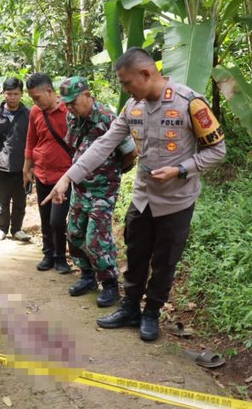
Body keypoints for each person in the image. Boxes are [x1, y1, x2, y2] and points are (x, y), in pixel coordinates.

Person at [44, 48, 226, 341]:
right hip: (142, 198)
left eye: (127, 83)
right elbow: (103, 145)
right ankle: (130, 308)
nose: (125, 89)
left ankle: (152, 312)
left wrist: (181, 169)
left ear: (145, 74)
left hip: (176, 202)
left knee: (165, 262)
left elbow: (218, 150)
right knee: (136, 254)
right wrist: (67, 178)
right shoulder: (133, 108)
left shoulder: (189, 103)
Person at [59, 76, 136, 307]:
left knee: (96, 238)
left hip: (103, 189)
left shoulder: (108, 118)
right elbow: (74, 146)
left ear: (87, 94)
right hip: (80, 186)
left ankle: (110, 283)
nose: (70, 107)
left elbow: (130, 153)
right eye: (67, 103)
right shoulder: (72, 116)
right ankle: (87, 276)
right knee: (74, 232)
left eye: (74, 101)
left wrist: (111, 174)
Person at [24, 73, 72, 274]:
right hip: (41, 173)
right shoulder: (36, 111)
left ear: (50, 91)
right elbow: (31, 140)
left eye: (37, 97)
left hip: (64, 176)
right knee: (45, 217)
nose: (35, 102)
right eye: (32, 98)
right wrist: (26, 167)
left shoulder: (69, 110)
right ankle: (48, 254)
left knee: (57, 220)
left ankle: (61, 257)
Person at [0, 78, 31, 241]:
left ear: (22, 94)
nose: (12, 97)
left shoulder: (28, 114)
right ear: (3, 93)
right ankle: (1, 228)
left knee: (20, 200)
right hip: (1, 166)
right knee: (2, 200)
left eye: (16, 94)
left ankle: (17, 229)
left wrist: (33, 167)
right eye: (9, 93)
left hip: (23, 167)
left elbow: (35, 141)